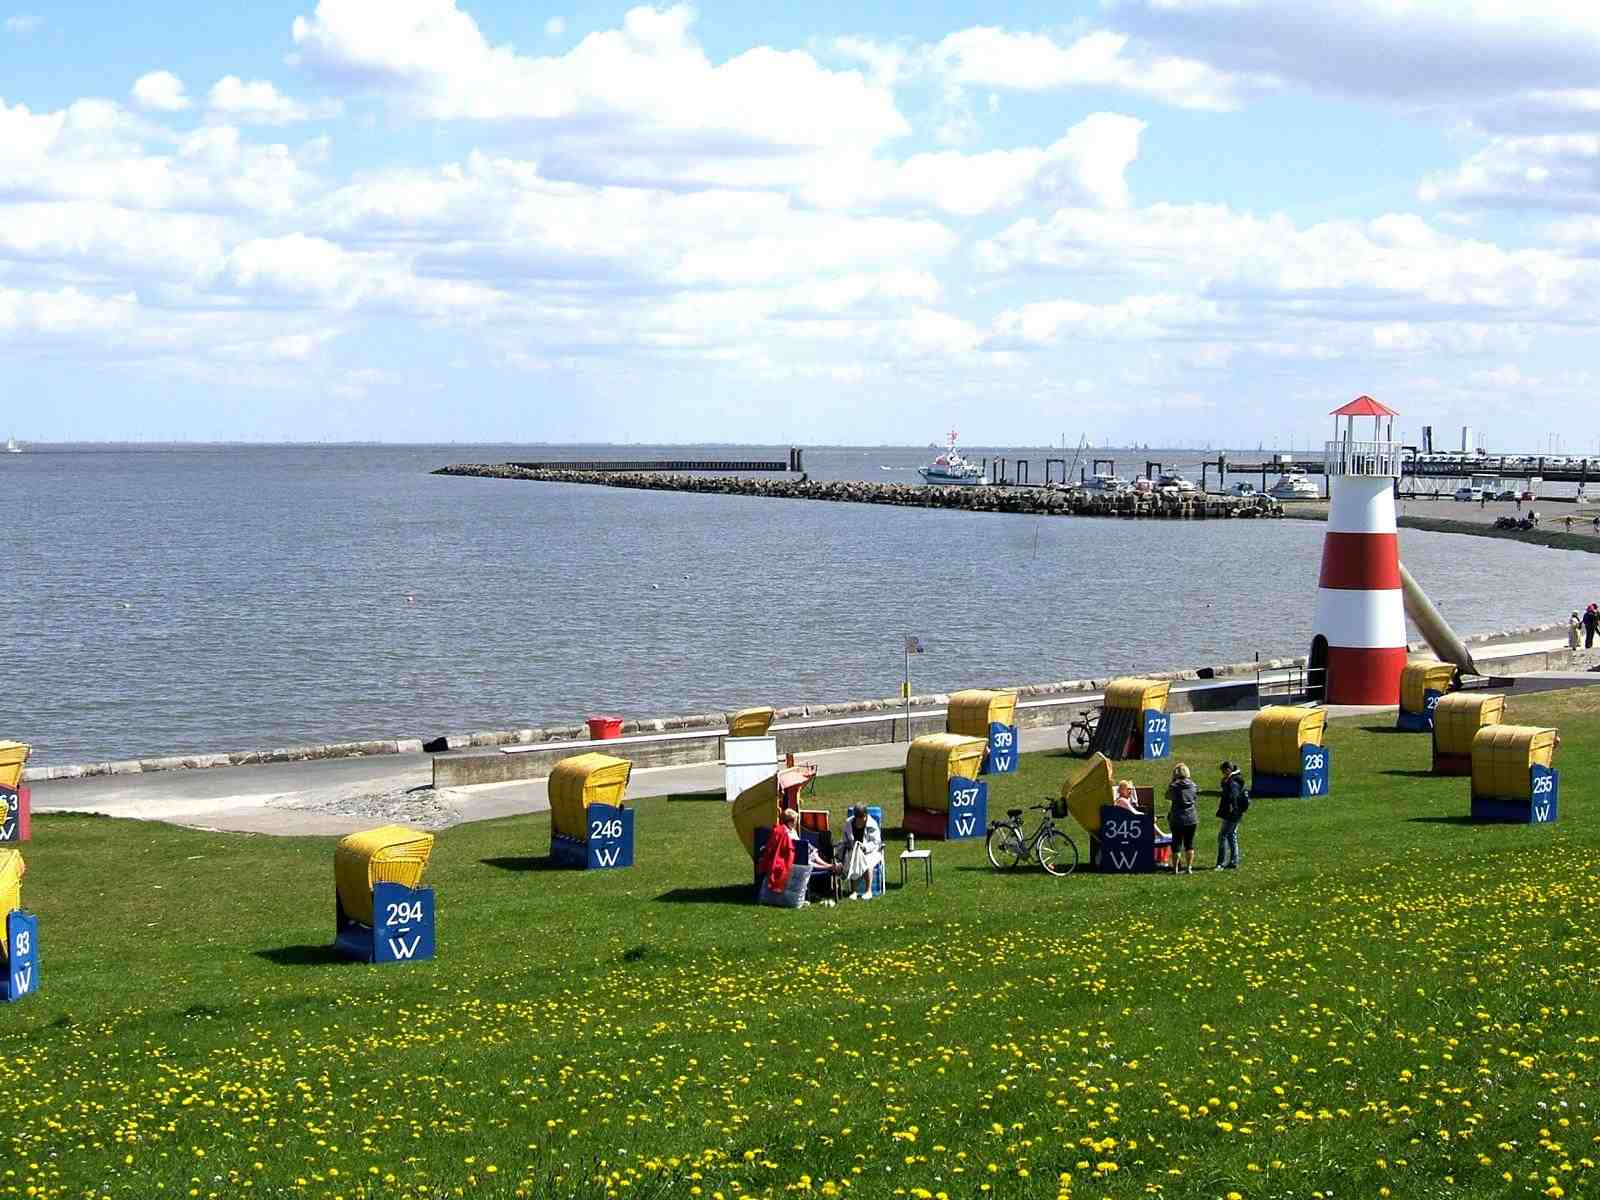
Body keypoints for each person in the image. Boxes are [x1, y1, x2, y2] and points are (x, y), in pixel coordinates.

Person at [757, 809, 819, 908]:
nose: (797, 822)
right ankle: (830, 866)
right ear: (790, 822)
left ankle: (830, 866)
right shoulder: (786, 833)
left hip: (795, 858)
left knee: (812, 853)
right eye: (796, 820)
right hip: (795, 861)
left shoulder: (784, 831)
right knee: (812, 855)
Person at [836, 804, 883, 900]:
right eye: (857, 818)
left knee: (868, 862)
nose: (860, 820)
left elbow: (876, 842)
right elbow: (845, 839)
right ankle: (854, 891)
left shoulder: (872, 824)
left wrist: (865, 848)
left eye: (862, 817)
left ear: (866, 815)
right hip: (854, 850)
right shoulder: (848, 823)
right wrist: (849, 846)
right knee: (853, 860)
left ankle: (868, 891)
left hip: (871, 851)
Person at [1165, 763, 1199, 875]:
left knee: (1176, 844)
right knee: (1189, 844)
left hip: (1177, 818)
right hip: (1191, 818)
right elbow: (1194, 797)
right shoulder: (1193, 785)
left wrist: (1171, 782)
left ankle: (1175, 869)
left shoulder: (1174, 786)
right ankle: (1189, 868)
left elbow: (1168, 796)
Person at [1214, 761, 1248, 870]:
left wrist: (1231, 808)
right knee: (1231, 834)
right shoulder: (1235, 779)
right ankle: (1234, 861)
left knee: (1222, 836)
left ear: (1228, 770)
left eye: (1224, 772)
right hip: (1237, 813)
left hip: (1232, 814)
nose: (1223, 775)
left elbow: (1233, 796)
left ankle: (1221, 863)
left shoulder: (1233, 782)